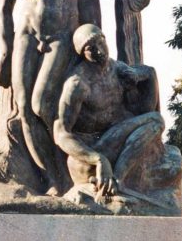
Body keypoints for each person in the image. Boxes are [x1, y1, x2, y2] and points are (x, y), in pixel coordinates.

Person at [0, 0, 152, 195]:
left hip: (61, 36)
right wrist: (5, 51)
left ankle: (74, 166)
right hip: (27, 35)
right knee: (23, 107)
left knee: (42, 105)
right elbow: (2, 12)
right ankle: (54, 180)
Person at [53, 24, 165, 202]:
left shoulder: (117, 68)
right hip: (88, 157)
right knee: (155, 120)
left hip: (112, 144)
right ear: (82, 54)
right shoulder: (77, 83)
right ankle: (116, 180)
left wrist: (143, 76)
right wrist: (97, 159)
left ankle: (117, 180)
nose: (98, 50)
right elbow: (60, 134)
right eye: (90, 48)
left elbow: (144, 107)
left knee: (153, 114)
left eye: (100, 42)